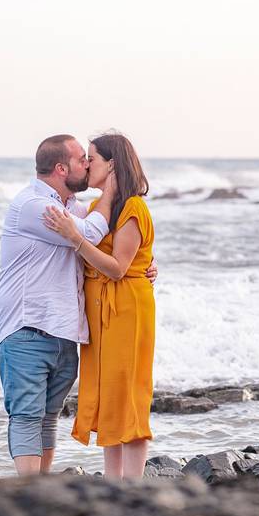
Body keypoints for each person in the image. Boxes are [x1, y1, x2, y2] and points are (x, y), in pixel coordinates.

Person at [0, 134, 156, 476]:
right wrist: (109, 193)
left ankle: (46, 489)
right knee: (26, 415)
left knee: (49, 416)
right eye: (83, 158)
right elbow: (91, 236)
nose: (86, 164)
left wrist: (144, 266)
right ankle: (32, 495)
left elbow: (108, 246)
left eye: (90, 158)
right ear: (61, 168)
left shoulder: (78, 210)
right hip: (27, 327)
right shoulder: (36, 207)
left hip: (67, 329)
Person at [43, 131, 155, 480]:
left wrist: (75, 239)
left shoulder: (134, 207)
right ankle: (112, 482)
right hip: (101, 311)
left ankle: (133, 485)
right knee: (108, 393)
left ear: (112, 164)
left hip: (126, 309)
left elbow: (118, 268)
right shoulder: (96, 209)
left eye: (93, 157)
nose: (88, 164)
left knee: (128, 393)